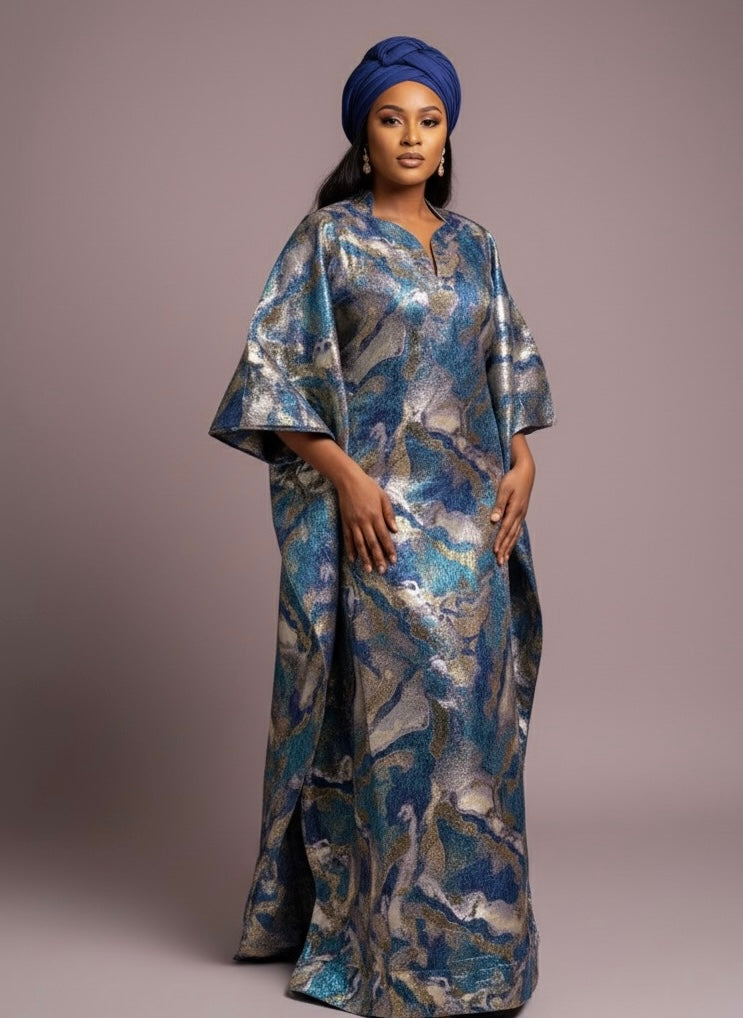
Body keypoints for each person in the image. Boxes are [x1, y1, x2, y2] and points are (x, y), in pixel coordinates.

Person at [208, 34, 556, 1018]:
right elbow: (275, 388)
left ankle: (487, 958)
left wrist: (524, 460)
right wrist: (347, 481)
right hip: (379, 534)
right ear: (363, 136)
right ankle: (393, 960)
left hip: (475, 531)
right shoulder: (327, 241)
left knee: (478, 736)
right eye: (391, 118)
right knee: (398, 741)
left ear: (447, 138)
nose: (410, 135)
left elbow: (504, 379)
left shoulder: (475, 246)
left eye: (428, 120)